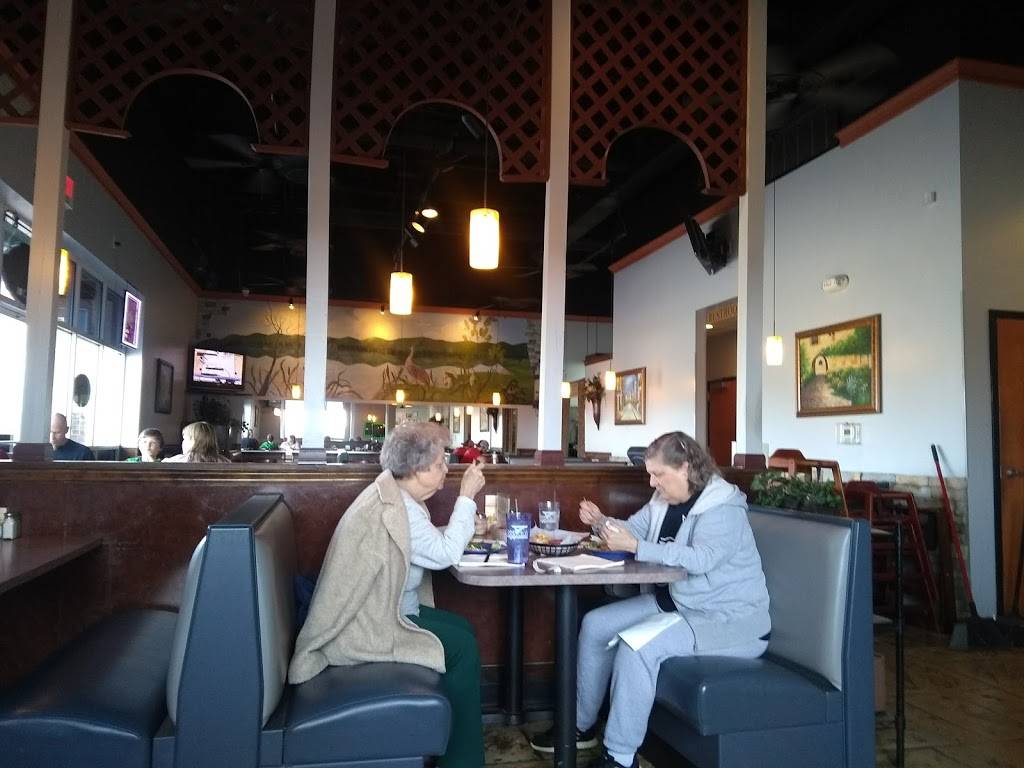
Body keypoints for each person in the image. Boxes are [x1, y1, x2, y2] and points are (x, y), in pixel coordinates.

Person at [529, 431, 771, 768]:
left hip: (726, 619)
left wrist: (636, 547)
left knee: (636, 649)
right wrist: (601, 523)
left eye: (658, 474)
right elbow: (634, 530)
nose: (652, 482)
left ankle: (620, 757)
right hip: (677, 603)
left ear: (685, 468)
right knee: (596, 624)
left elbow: (701, 559)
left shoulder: (722, 507)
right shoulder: (663, 500)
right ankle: (580, 726)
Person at [289, 422, 488, 768]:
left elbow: (418, 542)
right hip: (372, 626)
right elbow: (444, 553)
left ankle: (447, 742)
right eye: (439, 463)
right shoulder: (396, 508)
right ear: (415, 469)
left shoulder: (394, 495)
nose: (446, 469)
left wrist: (464, 527)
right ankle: (462, 761)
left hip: (389, 610)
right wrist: (467, 498)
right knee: (463, 648)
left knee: (463, 630)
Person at [163, 421, 231, 463]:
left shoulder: (178, 461)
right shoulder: (225, 462)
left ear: (194, 440)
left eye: (184, 439)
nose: (182, 443)